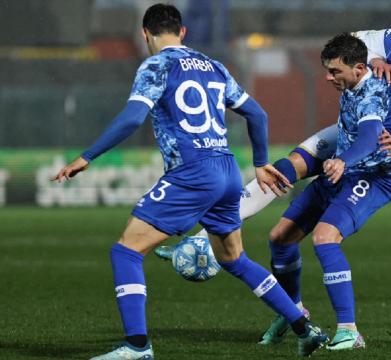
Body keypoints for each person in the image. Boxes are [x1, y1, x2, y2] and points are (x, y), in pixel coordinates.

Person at [51, 4, 327, 359]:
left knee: (126, 251)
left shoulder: (156, 65)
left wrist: (87, 155)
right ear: (182, 32)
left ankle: (137, 346)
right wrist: (259, 163)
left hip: (193, 173)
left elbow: (134, 117)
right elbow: (257, 113)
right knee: (235, 259)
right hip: (227, 169)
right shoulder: (214, 65)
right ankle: (304, 328)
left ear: (145, 33)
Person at [236, 8, 391, 350]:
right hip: (366, 130)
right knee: (293, 168)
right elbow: (352, 45)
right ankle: (215, 233)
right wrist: (377, 59)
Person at [260, 32, 391, 351]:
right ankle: (294, 313)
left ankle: (350, 331)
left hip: (374, 176)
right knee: (279, 238)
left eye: (335, 71)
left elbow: (369, 136)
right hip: (343, 170)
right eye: (326, 70)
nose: (328, 77)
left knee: (325, 238)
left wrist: (343, 160)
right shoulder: (351, 85)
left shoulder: (373, 89)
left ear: (358, 68)